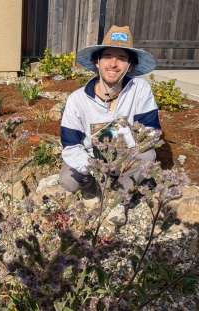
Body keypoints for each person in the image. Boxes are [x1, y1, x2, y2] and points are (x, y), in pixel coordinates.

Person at [59, 25, 161, 226]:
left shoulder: (139, 90)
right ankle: (98, 188)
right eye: (107, 56)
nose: (113, 64)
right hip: (92, 159)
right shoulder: (77, 100)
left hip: (128, 156)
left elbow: (151, 132)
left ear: (130, 66)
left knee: (148, 156)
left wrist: (119, 146)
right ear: (97, 62)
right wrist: (95, 166)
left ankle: (117, 197)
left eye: (122, 58)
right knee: (68, 180)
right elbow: (71, 145)